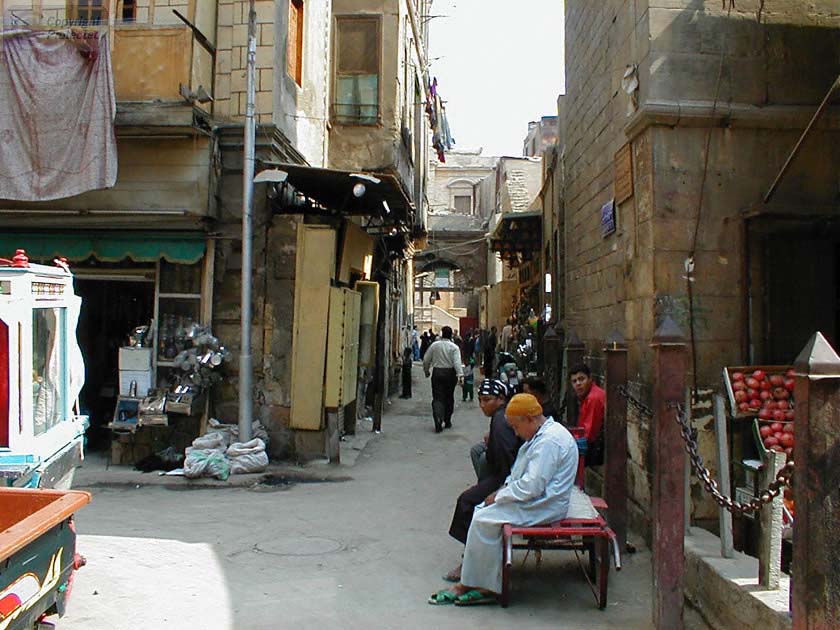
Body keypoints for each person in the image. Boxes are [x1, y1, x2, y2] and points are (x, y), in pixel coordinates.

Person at [429, 393, 579, 605]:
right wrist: (502, 493)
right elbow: (521, 476)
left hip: (544, 505)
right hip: (537, 499)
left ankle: (481, 585)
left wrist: (500, 495)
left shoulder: (550, 442)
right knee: (481, 511)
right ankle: (476, 581)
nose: (516, 433)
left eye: (516, 427)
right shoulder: (541, 435)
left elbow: (532, 486)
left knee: (482, 519)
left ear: (529, 419)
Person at [443, 379, 521, 584]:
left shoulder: (500, 421)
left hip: (505, 478)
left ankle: (470, 560)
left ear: (500, 399)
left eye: (487, 400)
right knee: (479, 453)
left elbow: (506, 459)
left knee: (466, 502)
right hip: (501, 474)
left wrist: (501, 491)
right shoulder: (499, 418)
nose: (482, 405)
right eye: (480, 400)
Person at [422, 326, 464, 432]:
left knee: (438, 397)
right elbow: (457, 363)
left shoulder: (434, 346)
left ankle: (438, 418)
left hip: (437, 373)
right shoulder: (454, 347)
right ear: (451, 335)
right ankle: (447, 419)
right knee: (449, 397)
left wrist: (426, 371)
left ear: (442, 333)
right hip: (450, 374)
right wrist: (460, 375)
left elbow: (426, 359)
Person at [570, 364, 605, 466]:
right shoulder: (588, 396)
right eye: (574, 381)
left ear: (590, 379)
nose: (578, 384)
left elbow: (589, 433)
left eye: (581, 379)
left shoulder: (593, 398)